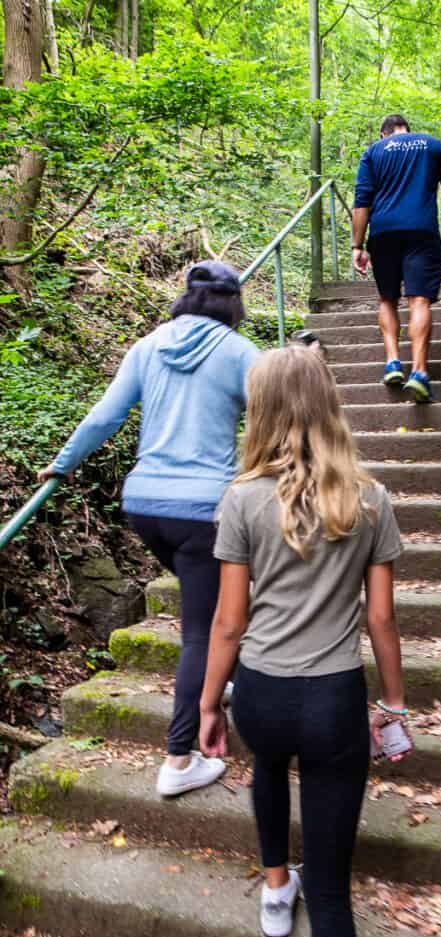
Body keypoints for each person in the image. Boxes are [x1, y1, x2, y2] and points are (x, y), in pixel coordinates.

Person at [197, 345, 409, 937]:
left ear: (259, 411)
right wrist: (393, 704)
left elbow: (228, 624)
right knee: (335, 898)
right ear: (328, 404)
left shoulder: (240, 500)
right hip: (334, 701)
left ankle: (273, 885)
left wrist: (207, 705)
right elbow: (380, 620)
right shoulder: (369, 499)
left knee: (267, 765)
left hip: (260, 694)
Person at [37, 260, 259, 797]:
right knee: (201, 632)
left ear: (185, 297)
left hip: (144, 507)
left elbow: (104, 416)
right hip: (205, 510)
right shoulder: (241, 353)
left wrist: (62, 464)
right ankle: (180, 761)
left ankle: (215, 677)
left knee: (210, 609)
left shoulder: (149, 344)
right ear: (233, 303)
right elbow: (275, 422)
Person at [352, 113, 441, 403]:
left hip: (383, 235)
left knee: (387, 300)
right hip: (422, 232)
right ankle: (419, 373)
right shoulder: (433, 146)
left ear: (384, 134)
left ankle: (393, 362)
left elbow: (362, 201)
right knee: (418, 300)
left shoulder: (373, 152)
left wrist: (357, 246)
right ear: (406, 129)